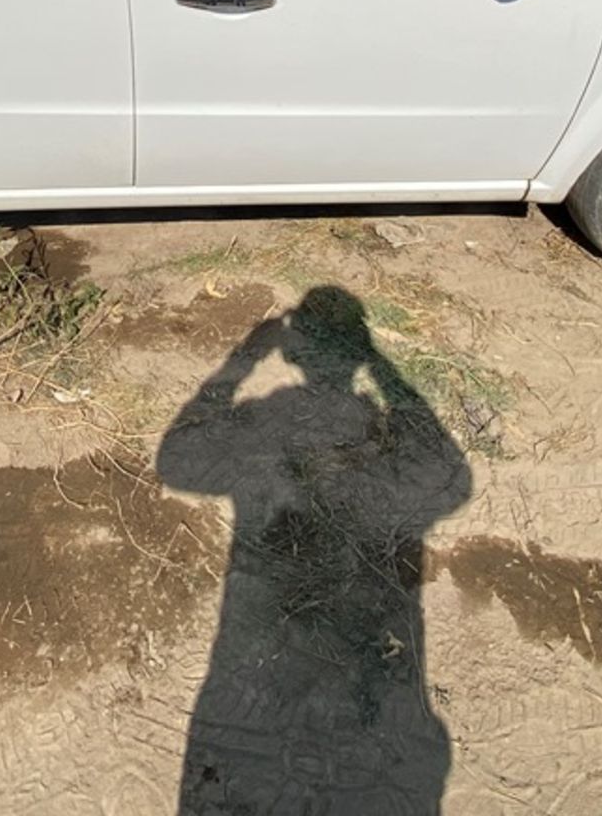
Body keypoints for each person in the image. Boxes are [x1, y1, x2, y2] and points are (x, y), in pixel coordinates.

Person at [158, 288, 471, 813]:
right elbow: (452, 478)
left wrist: (243, 361)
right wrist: (384, 369)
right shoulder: (380, 436)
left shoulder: (266, 419)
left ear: (293, 354)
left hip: (258, 650)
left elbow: (177, 460)